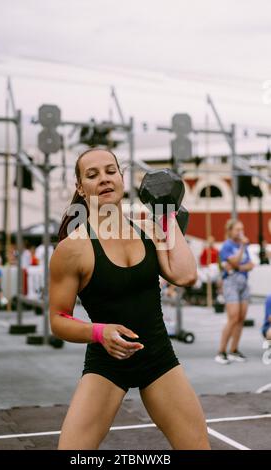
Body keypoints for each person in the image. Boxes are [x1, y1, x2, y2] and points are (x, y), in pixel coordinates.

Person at [49, 148, 210, 450]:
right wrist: (99, 332)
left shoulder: (149, 229)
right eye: (93, 175)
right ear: (81, 188)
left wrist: (166, 212)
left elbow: (186, 275)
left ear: (122, 178)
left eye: (111, 171)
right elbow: (58, 320)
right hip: (107, 365)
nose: (105, 179)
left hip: (158, 358)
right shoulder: (72, 249)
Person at [215, 219, 254, 365]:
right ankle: (221, 351)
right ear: (230, 231)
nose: (241, 232)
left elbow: (250, 265)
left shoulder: (241, 246)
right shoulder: (227, 246)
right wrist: (242, 249)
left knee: (241, 318)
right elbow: (235, 262)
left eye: (241, 229)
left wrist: (238, 267)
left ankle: (234, 350)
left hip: (243, 283)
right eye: (237, 229)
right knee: (233, 317)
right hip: (231, 283)